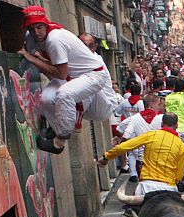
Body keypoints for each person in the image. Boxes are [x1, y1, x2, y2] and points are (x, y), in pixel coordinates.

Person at [19, 5, 116, 154]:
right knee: (46, 97)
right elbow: (55, 74)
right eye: (32, 29)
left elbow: (61, 74)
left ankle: (60, 142)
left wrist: (34, 59)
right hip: (74, 78)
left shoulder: (55, 39)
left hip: (94, 77)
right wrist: (38, 60)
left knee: (65, 94)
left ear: (45, 25)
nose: (36, 32)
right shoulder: (31, 37)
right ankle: (57, 128)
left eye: (39, 27)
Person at [98, 112, 184, 194]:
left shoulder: (151, 135)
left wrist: (106, 157)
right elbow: (180, 174)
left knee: (132, 209)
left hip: (146, 186)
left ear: (162, 124)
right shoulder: (181, 146)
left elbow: (123, 147)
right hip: (169, 187)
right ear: (177, 125)